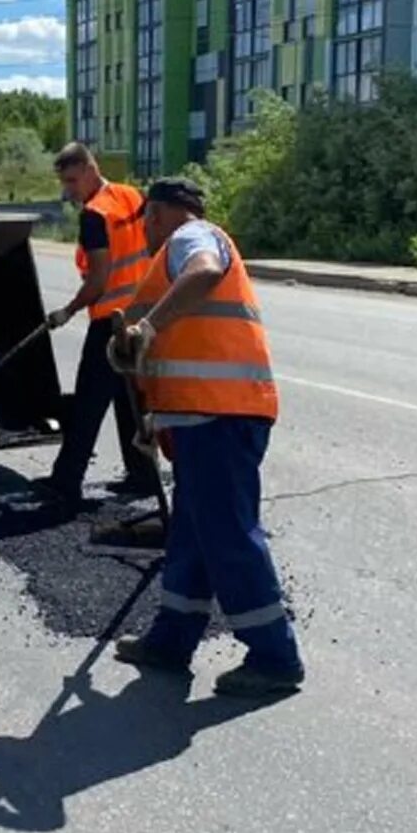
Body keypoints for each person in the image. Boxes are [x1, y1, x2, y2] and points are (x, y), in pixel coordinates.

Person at [108, 176, 304, 698]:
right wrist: (155, 419)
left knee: (228, 536)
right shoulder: (170, 256)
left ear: (163, 212)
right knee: (192, 538)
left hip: (222, 416)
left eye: (148, 216)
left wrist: (145, 328)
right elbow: (182, 354)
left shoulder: (192, 238)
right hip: (202, 419)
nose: (145, 227)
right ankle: (170, 641)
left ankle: (275, 656)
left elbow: (206, 271)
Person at [35, 142, 160, 508]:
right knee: (130, 399)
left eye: (73, 181)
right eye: (65, 183)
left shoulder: (94, 215)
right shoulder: (130, 195)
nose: (69, 190)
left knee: (88, 404)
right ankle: (142, 475)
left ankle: (65, 482)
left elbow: (99, 279)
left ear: (91, 169)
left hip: (110, 322)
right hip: (140, 318)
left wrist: (69, 310)